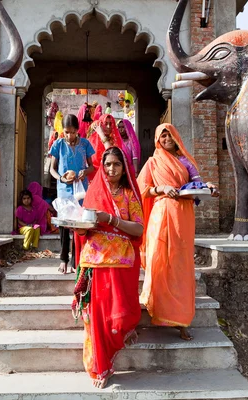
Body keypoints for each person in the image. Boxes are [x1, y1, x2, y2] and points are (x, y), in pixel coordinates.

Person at [137, 123, 219, 341]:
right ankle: (158, 309)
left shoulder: (186, 161)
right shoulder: (153, 163)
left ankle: (181, 320)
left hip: (183, 216)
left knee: (180, 266)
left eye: (169, 135)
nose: (166, 139)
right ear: (157, 139)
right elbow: (141, 190)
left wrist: (208, 186)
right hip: (161, 214)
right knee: (159, 262)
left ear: (176, 138)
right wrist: (162, 189)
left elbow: (197, 184)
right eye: (162, 136)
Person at [73, 146, 144, 389]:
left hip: (122, 260)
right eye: (107, 164)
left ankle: (125, 330)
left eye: (116, 164)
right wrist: (80, 228)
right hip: (95, 260)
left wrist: (111, 219)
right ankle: (100, 366)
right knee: (98, 317)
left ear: (124, 168)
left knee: (120, 314)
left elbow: (139, 229)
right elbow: (84, 226)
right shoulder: (95, 192)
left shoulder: (129, 195)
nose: (110, 168)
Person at [49, 114, 95, 274]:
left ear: (77, 130)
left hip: (80, 190)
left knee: (78, 225)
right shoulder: (58, 144)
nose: (69, 136)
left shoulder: (85, 144)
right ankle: (63, 259)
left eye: (72, 132)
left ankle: (76, 260)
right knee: (63, 225)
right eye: (66, 132)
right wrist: (61, 178)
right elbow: (51, 169)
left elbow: (92, 166)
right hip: (64, 190)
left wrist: (84, 172)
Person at [86, 114, 125, 180]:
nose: (108, 126)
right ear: (100, 124)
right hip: (93, 176)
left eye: (110, 124)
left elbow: (112, 153)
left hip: (109, 176)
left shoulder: (114, 140)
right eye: (106, 123)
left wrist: (101, 134)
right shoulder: (92, 140)